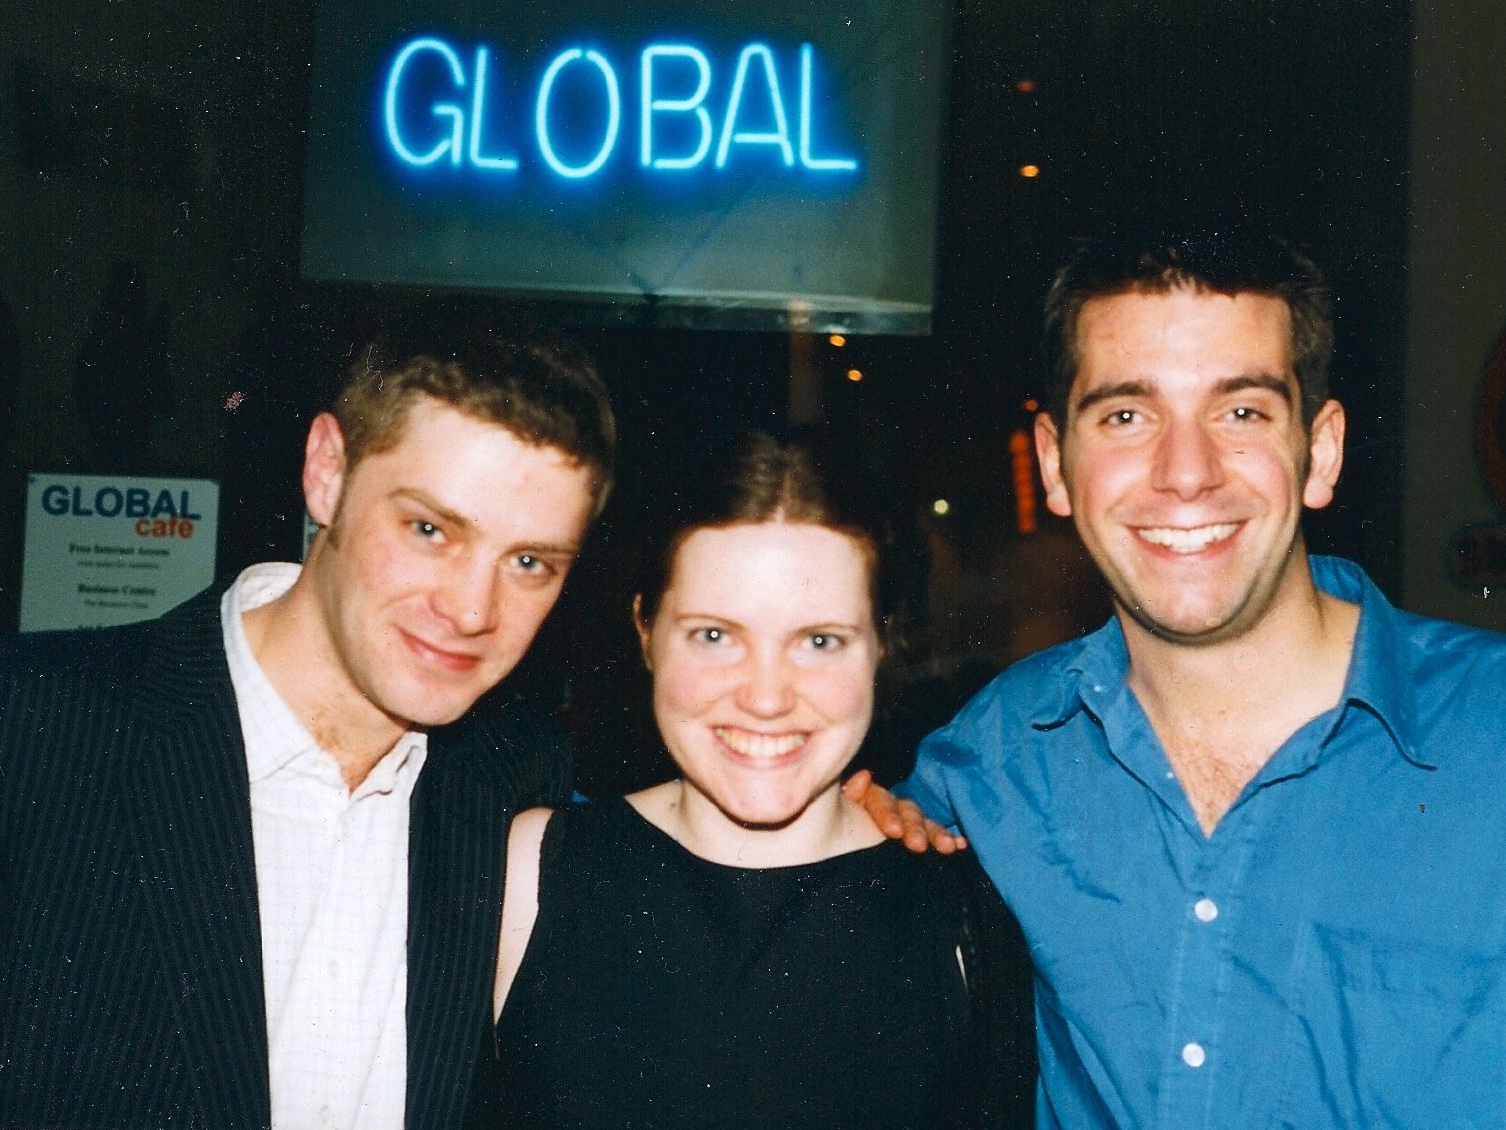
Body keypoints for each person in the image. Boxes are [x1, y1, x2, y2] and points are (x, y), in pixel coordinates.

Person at [853, 223, 1506, 1128]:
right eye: (1127, 414)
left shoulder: (1493, 736)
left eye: (1241, 411)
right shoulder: (993, 756)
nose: (1186, 473)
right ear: (1055, 463)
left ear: (1320, 450)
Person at [0, 325, 615, 1130]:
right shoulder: (32, 727)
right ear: (327, 472)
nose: (472, 610)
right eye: (430, 529)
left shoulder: (515, 780)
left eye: (529, 562)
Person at [489, 432, 1035, 1128]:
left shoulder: (966, 915)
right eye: (715, 635)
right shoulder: (531, 872)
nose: (767, 696)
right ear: (646, 630)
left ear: (880, 647)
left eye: (819, 641)